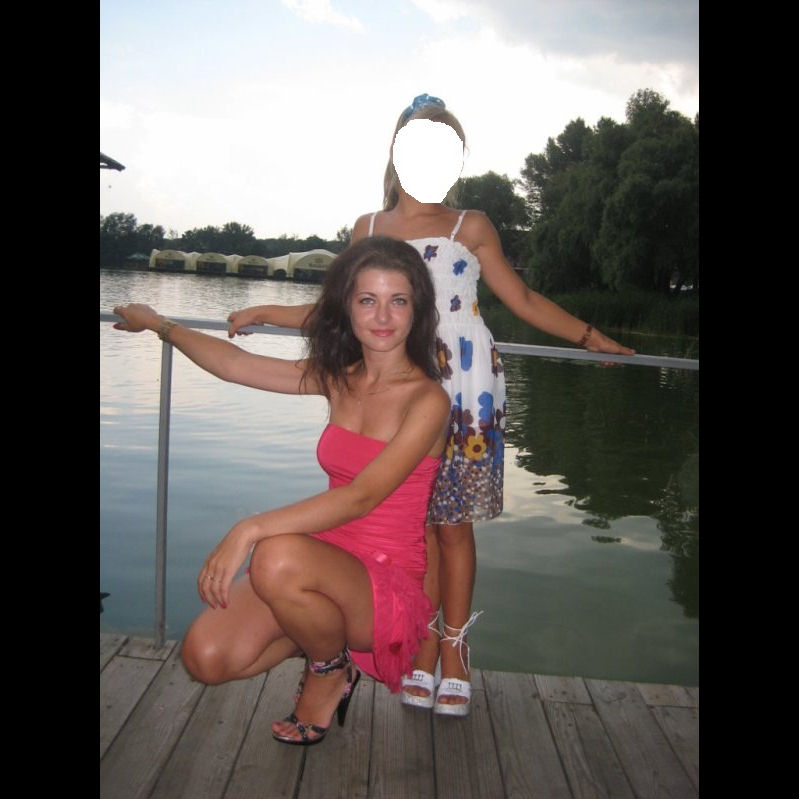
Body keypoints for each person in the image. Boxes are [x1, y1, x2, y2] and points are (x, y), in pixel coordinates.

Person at [227, 94, 636, 717]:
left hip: (467, 393)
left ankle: (454, 649)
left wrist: (589, 336)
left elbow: (522, 299)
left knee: (452, 525)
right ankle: (417, 642)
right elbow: (338, 308)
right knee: (412, 526)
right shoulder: (367, 228)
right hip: (394, 390)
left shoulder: (471, 224)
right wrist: (266, 312)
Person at [112, 236, 451, 745]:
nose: (382, 316)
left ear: (416, 309)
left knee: (273, 554)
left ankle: (328, 668)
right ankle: (317, 634)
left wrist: (249, 529)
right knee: (205, 657)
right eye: (367, 300)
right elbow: (236, 365)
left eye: (397, 301)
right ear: (347, 308)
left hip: (384, 585)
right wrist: (160, 324)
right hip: (317, 563)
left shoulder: (428, 400)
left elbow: (361, 497)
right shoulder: (339, 379)